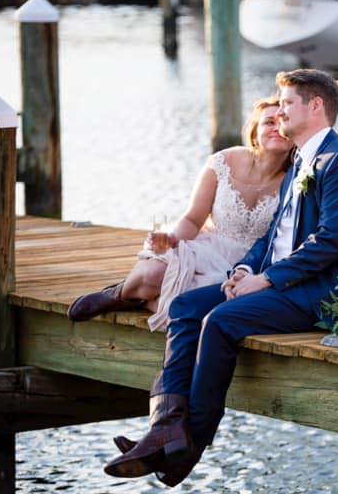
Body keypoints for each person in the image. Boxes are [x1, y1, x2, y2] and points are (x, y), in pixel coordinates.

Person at [103, 69, 338, 486]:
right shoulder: (300, 162)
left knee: (220, 321)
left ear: (315, 107)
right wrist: (245, 269)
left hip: (333, 290)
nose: (280, 111)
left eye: (288, 102)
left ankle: (189, 448)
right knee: (185, 307)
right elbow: (276, 235)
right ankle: (165, 426)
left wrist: (268, 279)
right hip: (292, 281)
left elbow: (332, 240)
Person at [67, 97, 293, 331]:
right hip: (210, 246)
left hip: (251, 264)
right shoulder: (225, 161)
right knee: (157, 271)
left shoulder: (297, 178)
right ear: (255, 133)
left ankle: (148, 301)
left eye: (282, 122)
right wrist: (171, 239)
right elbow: (193, 219)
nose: (276, 128)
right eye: (268, 122)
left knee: (199, 299)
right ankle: (119, 294)